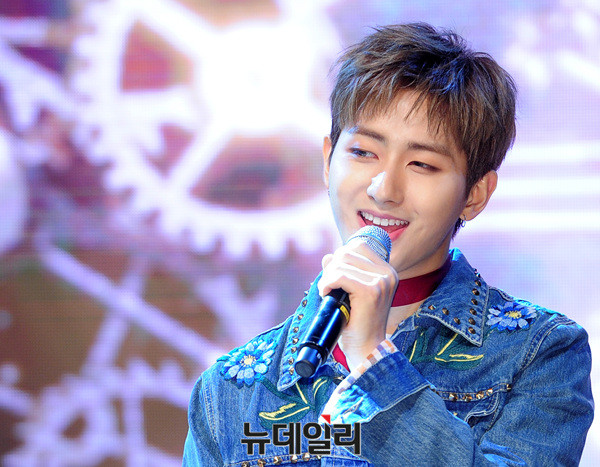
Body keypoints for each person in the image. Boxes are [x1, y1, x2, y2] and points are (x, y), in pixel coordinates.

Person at [183, 23, 593, 466]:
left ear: (475, 194)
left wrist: (373, 362)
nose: (384, 189)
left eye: (422, 164)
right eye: (363, 153)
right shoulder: (230, 390)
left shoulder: (540, 353)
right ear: (328, 161)